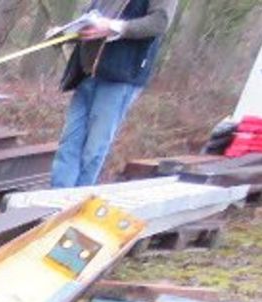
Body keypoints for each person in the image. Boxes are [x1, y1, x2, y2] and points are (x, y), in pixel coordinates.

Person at [50, 2, 172, 188]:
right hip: (86, 74)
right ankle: (54, 202)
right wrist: (65, 34)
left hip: (119, 78)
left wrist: (114, 27)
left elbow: (159, 22)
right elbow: (92, 22)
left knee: (93, 150)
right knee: (68, 145)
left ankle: (75, 207)